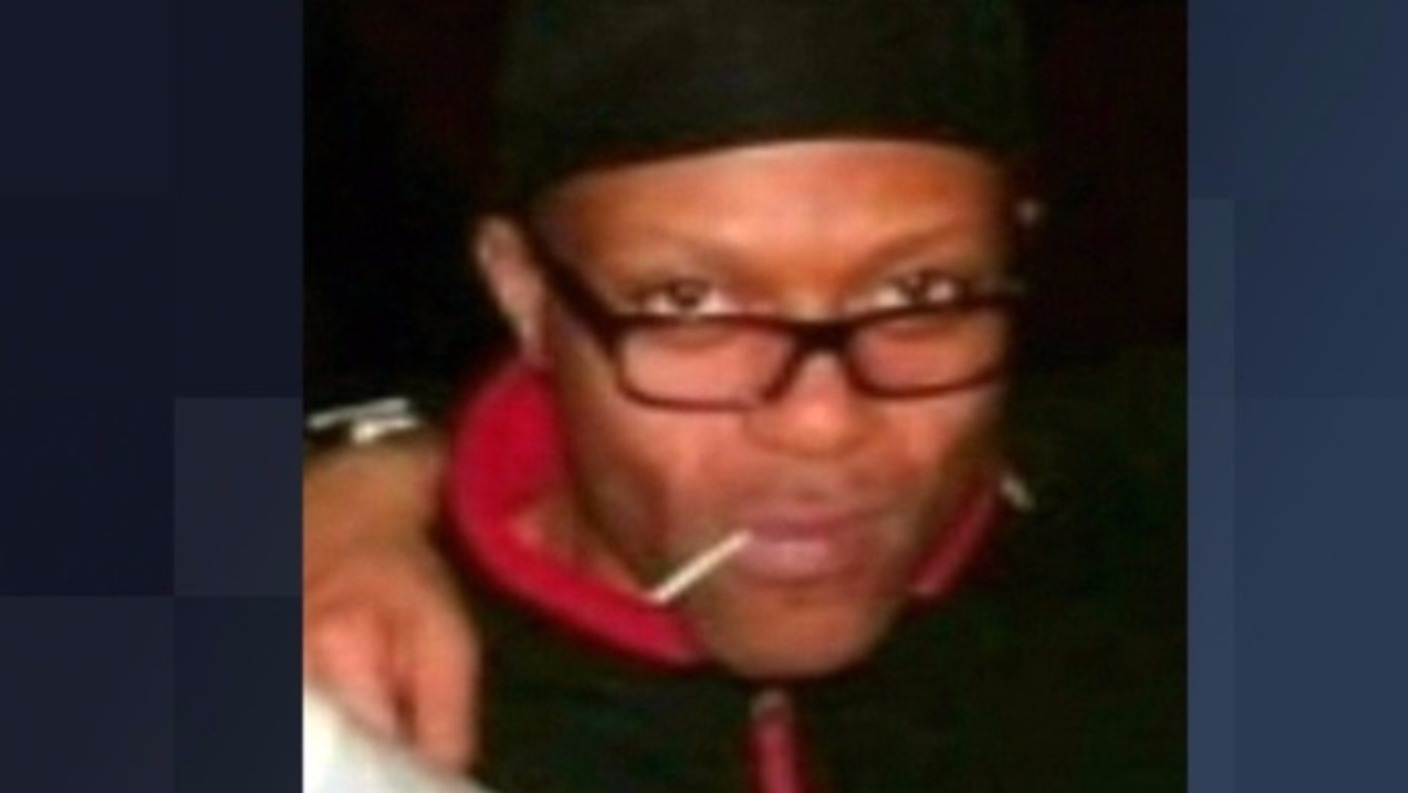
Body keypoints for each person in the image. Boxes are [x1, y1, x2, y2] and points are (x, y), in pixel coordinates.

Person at [304, 1, 1186, 790]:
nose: (821, 423)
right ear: (524, 291)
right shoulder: (342, 698)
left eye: (922, 294)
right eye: (690, 304)